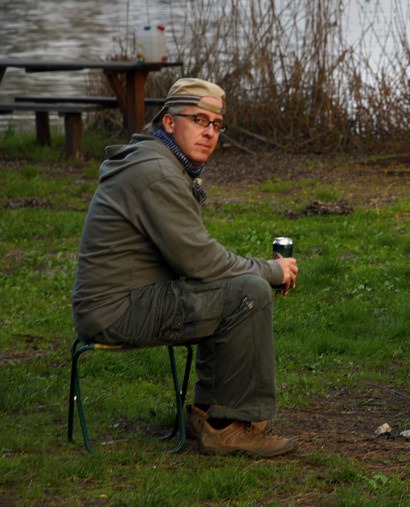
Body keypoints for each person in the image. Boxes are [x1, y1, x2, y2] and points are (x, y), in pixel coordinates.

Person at [72, 78, 299, 457]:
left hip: (124, 300)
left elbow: (197, 264)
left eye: (216, 124)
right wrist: (273, 272)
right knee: (250, 293)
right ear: (169, 123)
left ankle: (207, 412)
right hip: (115, 310)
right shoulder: (157, 173)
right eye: (198, 120)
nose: (209, 132)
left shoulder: (159, 162)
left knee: (232, 286)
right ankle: (229, 427)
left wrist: (249, 270)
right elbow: (201, 261)